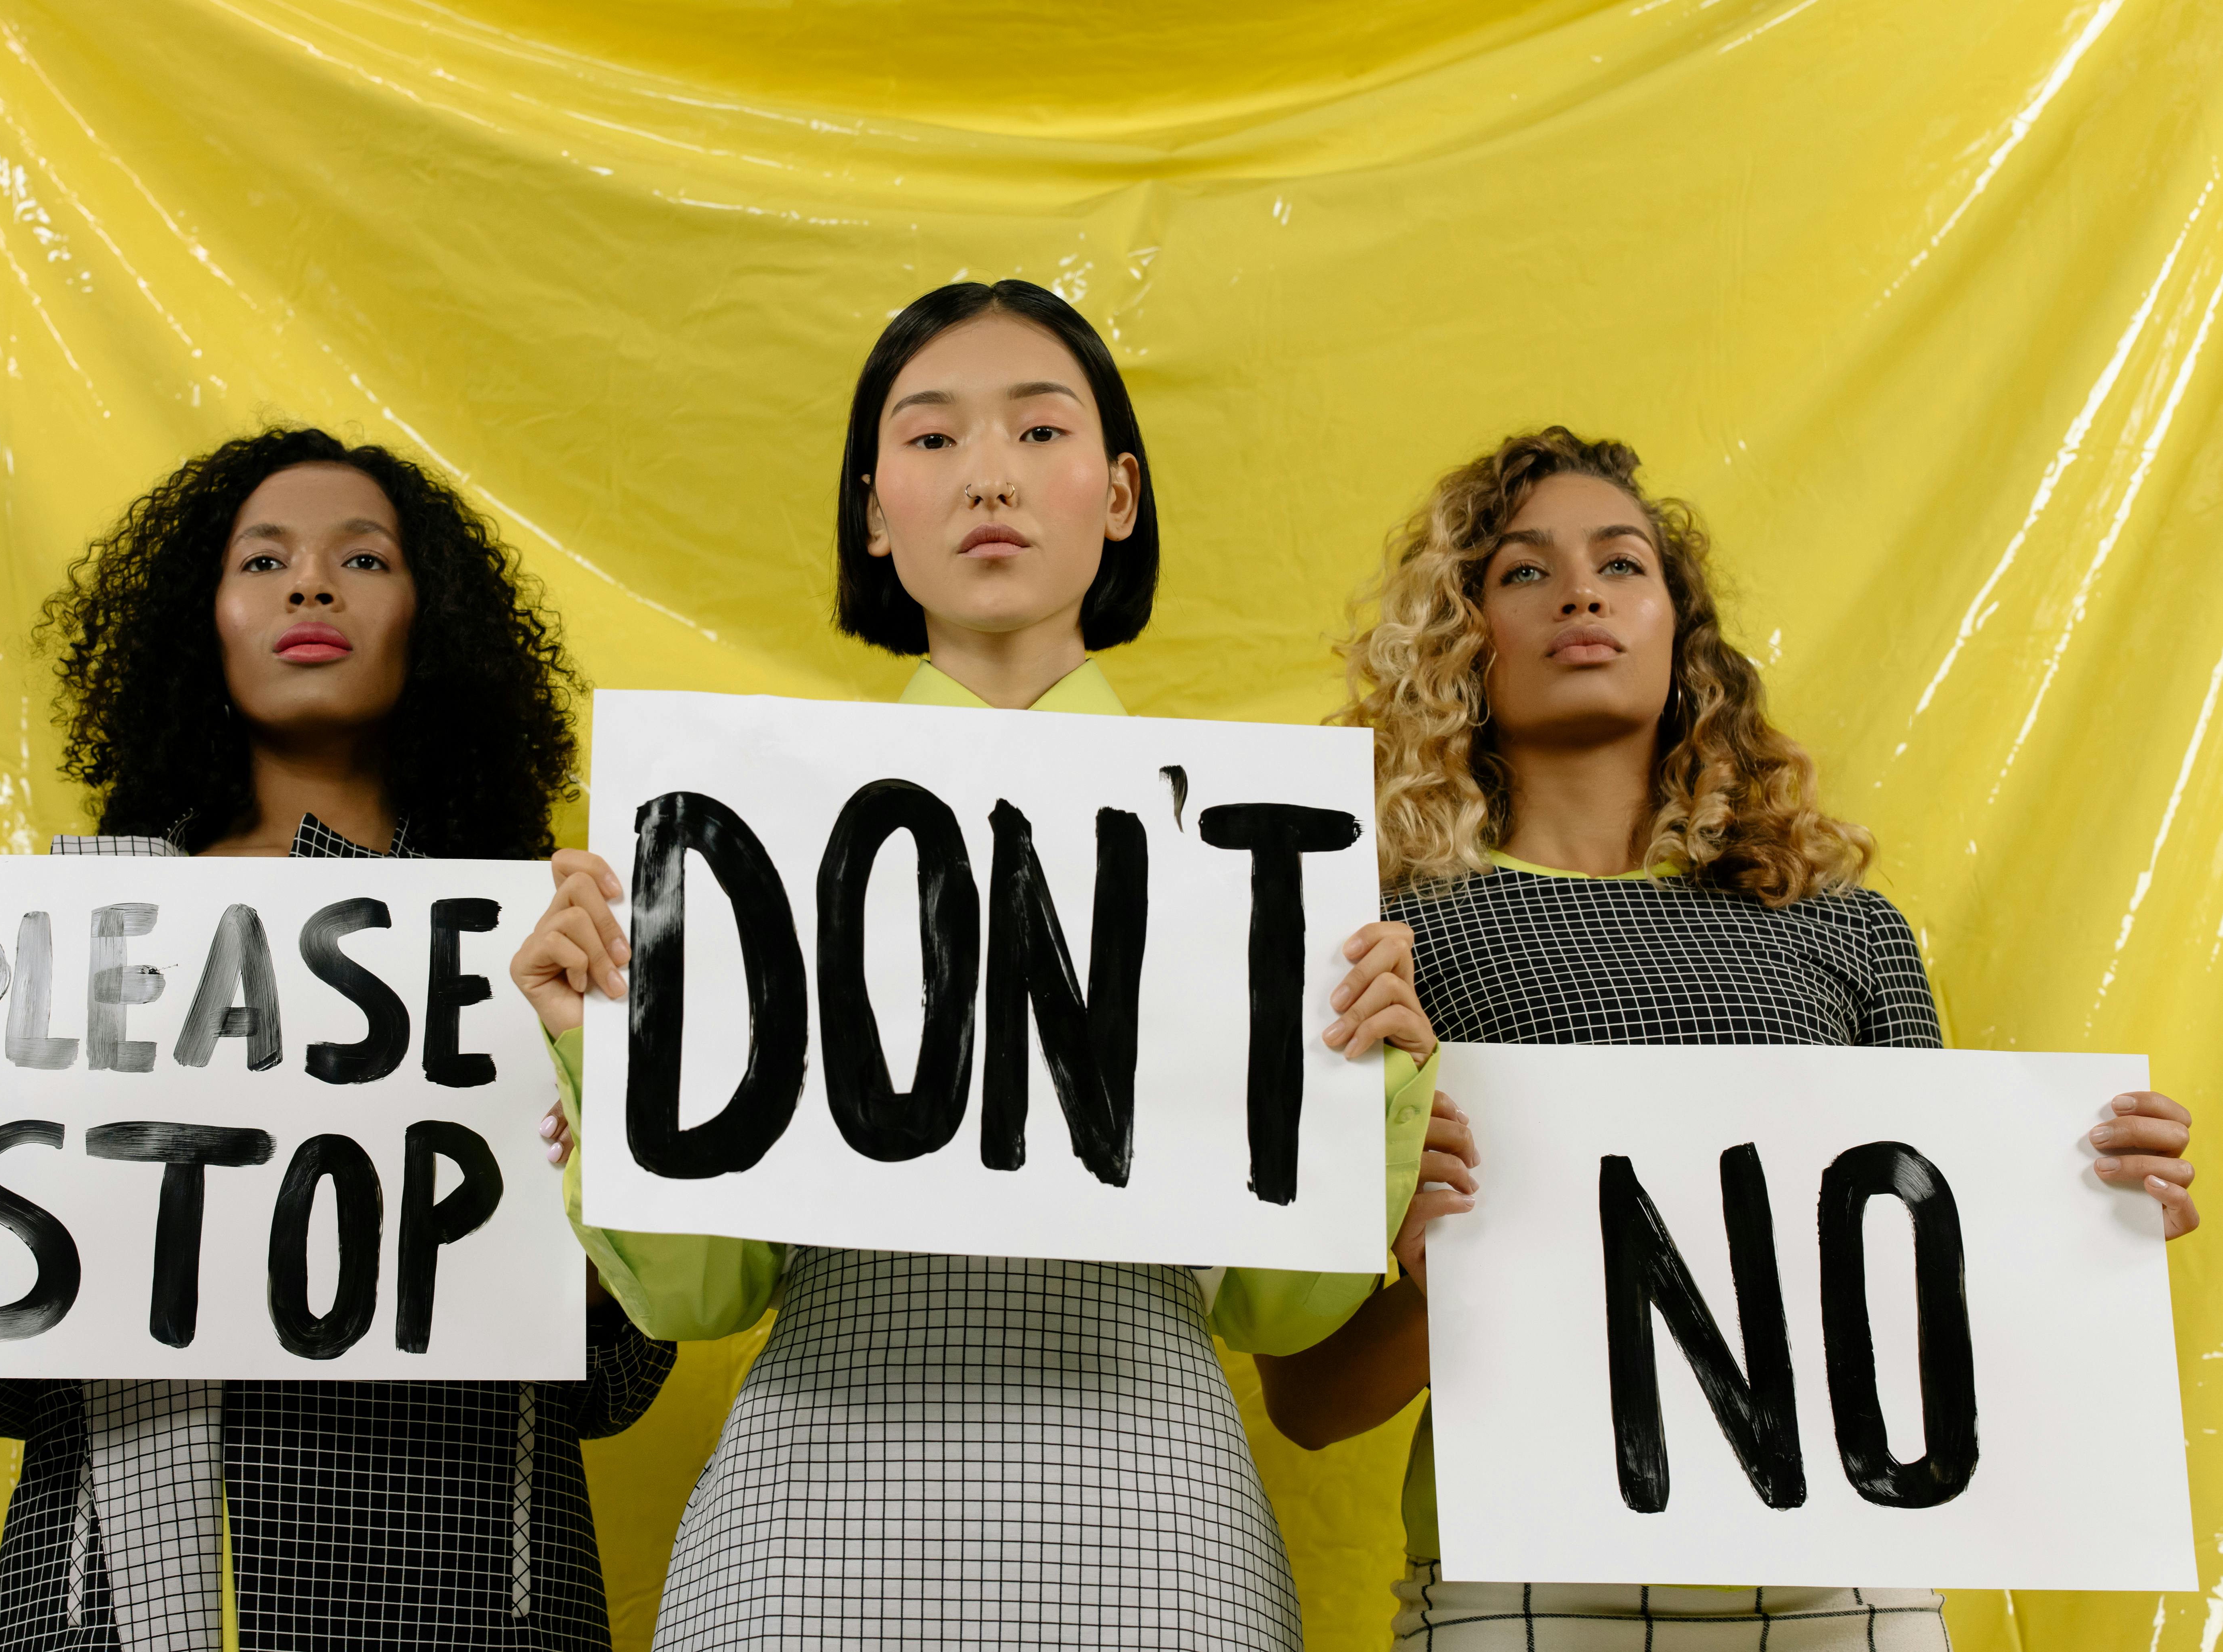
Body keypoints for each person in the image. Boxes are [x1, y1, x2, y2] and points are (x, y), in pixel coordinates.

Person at [508, 278, 1445, 1649]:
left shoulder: (1258, 850)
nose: (989, 475)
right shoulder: (750, 830)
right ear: (874, 514)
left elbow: (1278, 1311)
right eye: (933, 439)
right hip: (804, 1535)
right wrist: (608, 1035)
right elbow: (702, 1291)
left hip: (1154, 1525)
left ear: (1117, 494)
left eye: (1040, 431)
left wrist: (1377, 1077)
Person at [1252, 426, 2200, 1649]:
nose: (1581, 592)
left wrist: (2089, 1220)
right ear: (1460, 637)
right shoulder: (1378, 944)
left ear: (1680, 631)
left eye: (1621, 564)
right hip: (1529, 1577)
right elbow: (1312, 1401)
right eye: (1524, 571)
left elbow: (1939, 1305)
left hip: (1844, 1579)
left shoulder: (1844, 931)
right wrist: (1459, 1288)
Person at [0, 427, 675, 1652]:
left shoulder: (551, 949)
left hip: (464, 1596)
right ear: (204, 622)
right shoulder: (61, 952)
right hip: (112, 1606)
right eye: (264, 561)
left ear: (432, 618)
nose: (310, 585)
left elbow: (617, 1387)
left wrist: (594, 1199)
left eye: (363, 557)